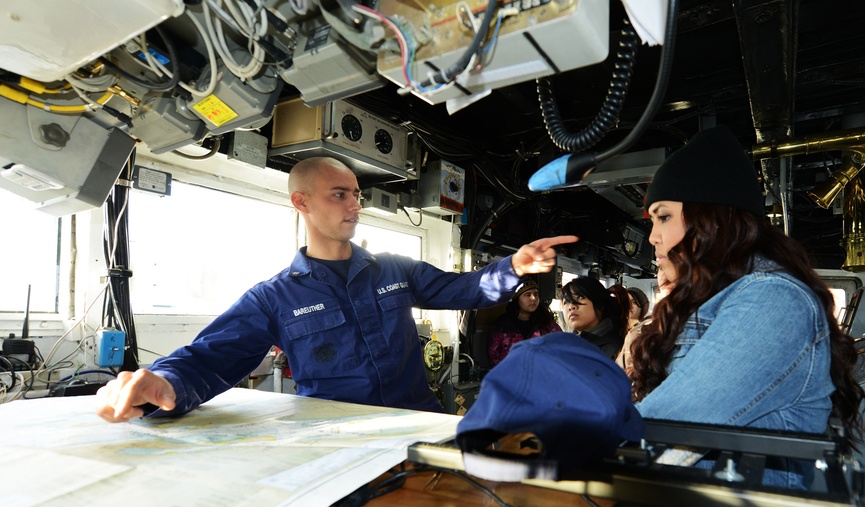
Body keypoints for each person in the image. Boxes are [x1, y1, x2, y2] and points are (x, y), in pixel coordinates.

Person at [97, 157, 577, 422]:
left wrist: (514, 265)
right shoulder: (273, 298)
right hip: (333, 439)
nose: (355, 205)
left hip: (417, 424)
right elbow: (211, 356)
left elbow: (466, 289)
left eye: (357, 195)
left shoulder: (395, 268)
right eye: (340, 195)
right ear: (300, 202)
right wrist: (165, 382)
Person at [628, 125, 865, 489]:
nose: (653, 236)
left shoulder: (774, 302)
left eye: (663, 216)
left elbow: (665, 423)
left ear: (710, 218)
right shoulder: (726, 298)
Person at [487, 278, 562, 366]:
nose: (533, 298)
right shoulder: (502, 326)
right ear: (517, 299)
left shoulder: (548, 324)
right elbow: (494, 357)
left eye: (536, 294)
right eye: (527, 294)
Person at [560, 277, 627, 359]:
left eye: (580, 297)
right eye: (566, 302)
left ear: (600, 304)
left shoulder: (615, 349)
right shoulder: (566, 345)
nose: (571, 306)